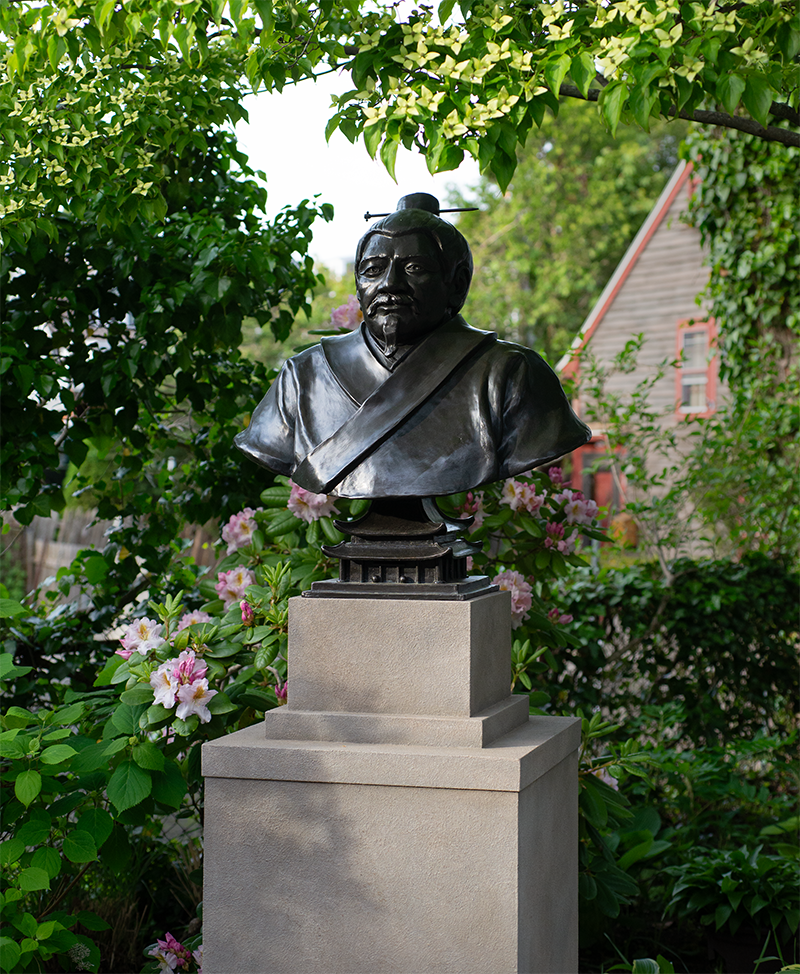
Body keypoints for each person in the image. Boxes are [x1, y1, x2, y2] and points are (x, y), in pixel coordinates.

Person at [235, 193, 591, 498]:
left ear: (457, 283)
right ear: (358, 284)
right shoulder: (303, 376)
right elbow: (271, 446)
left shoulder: (511, 373)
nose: (390, 284)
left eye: (415, 267)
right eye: (373, 269)